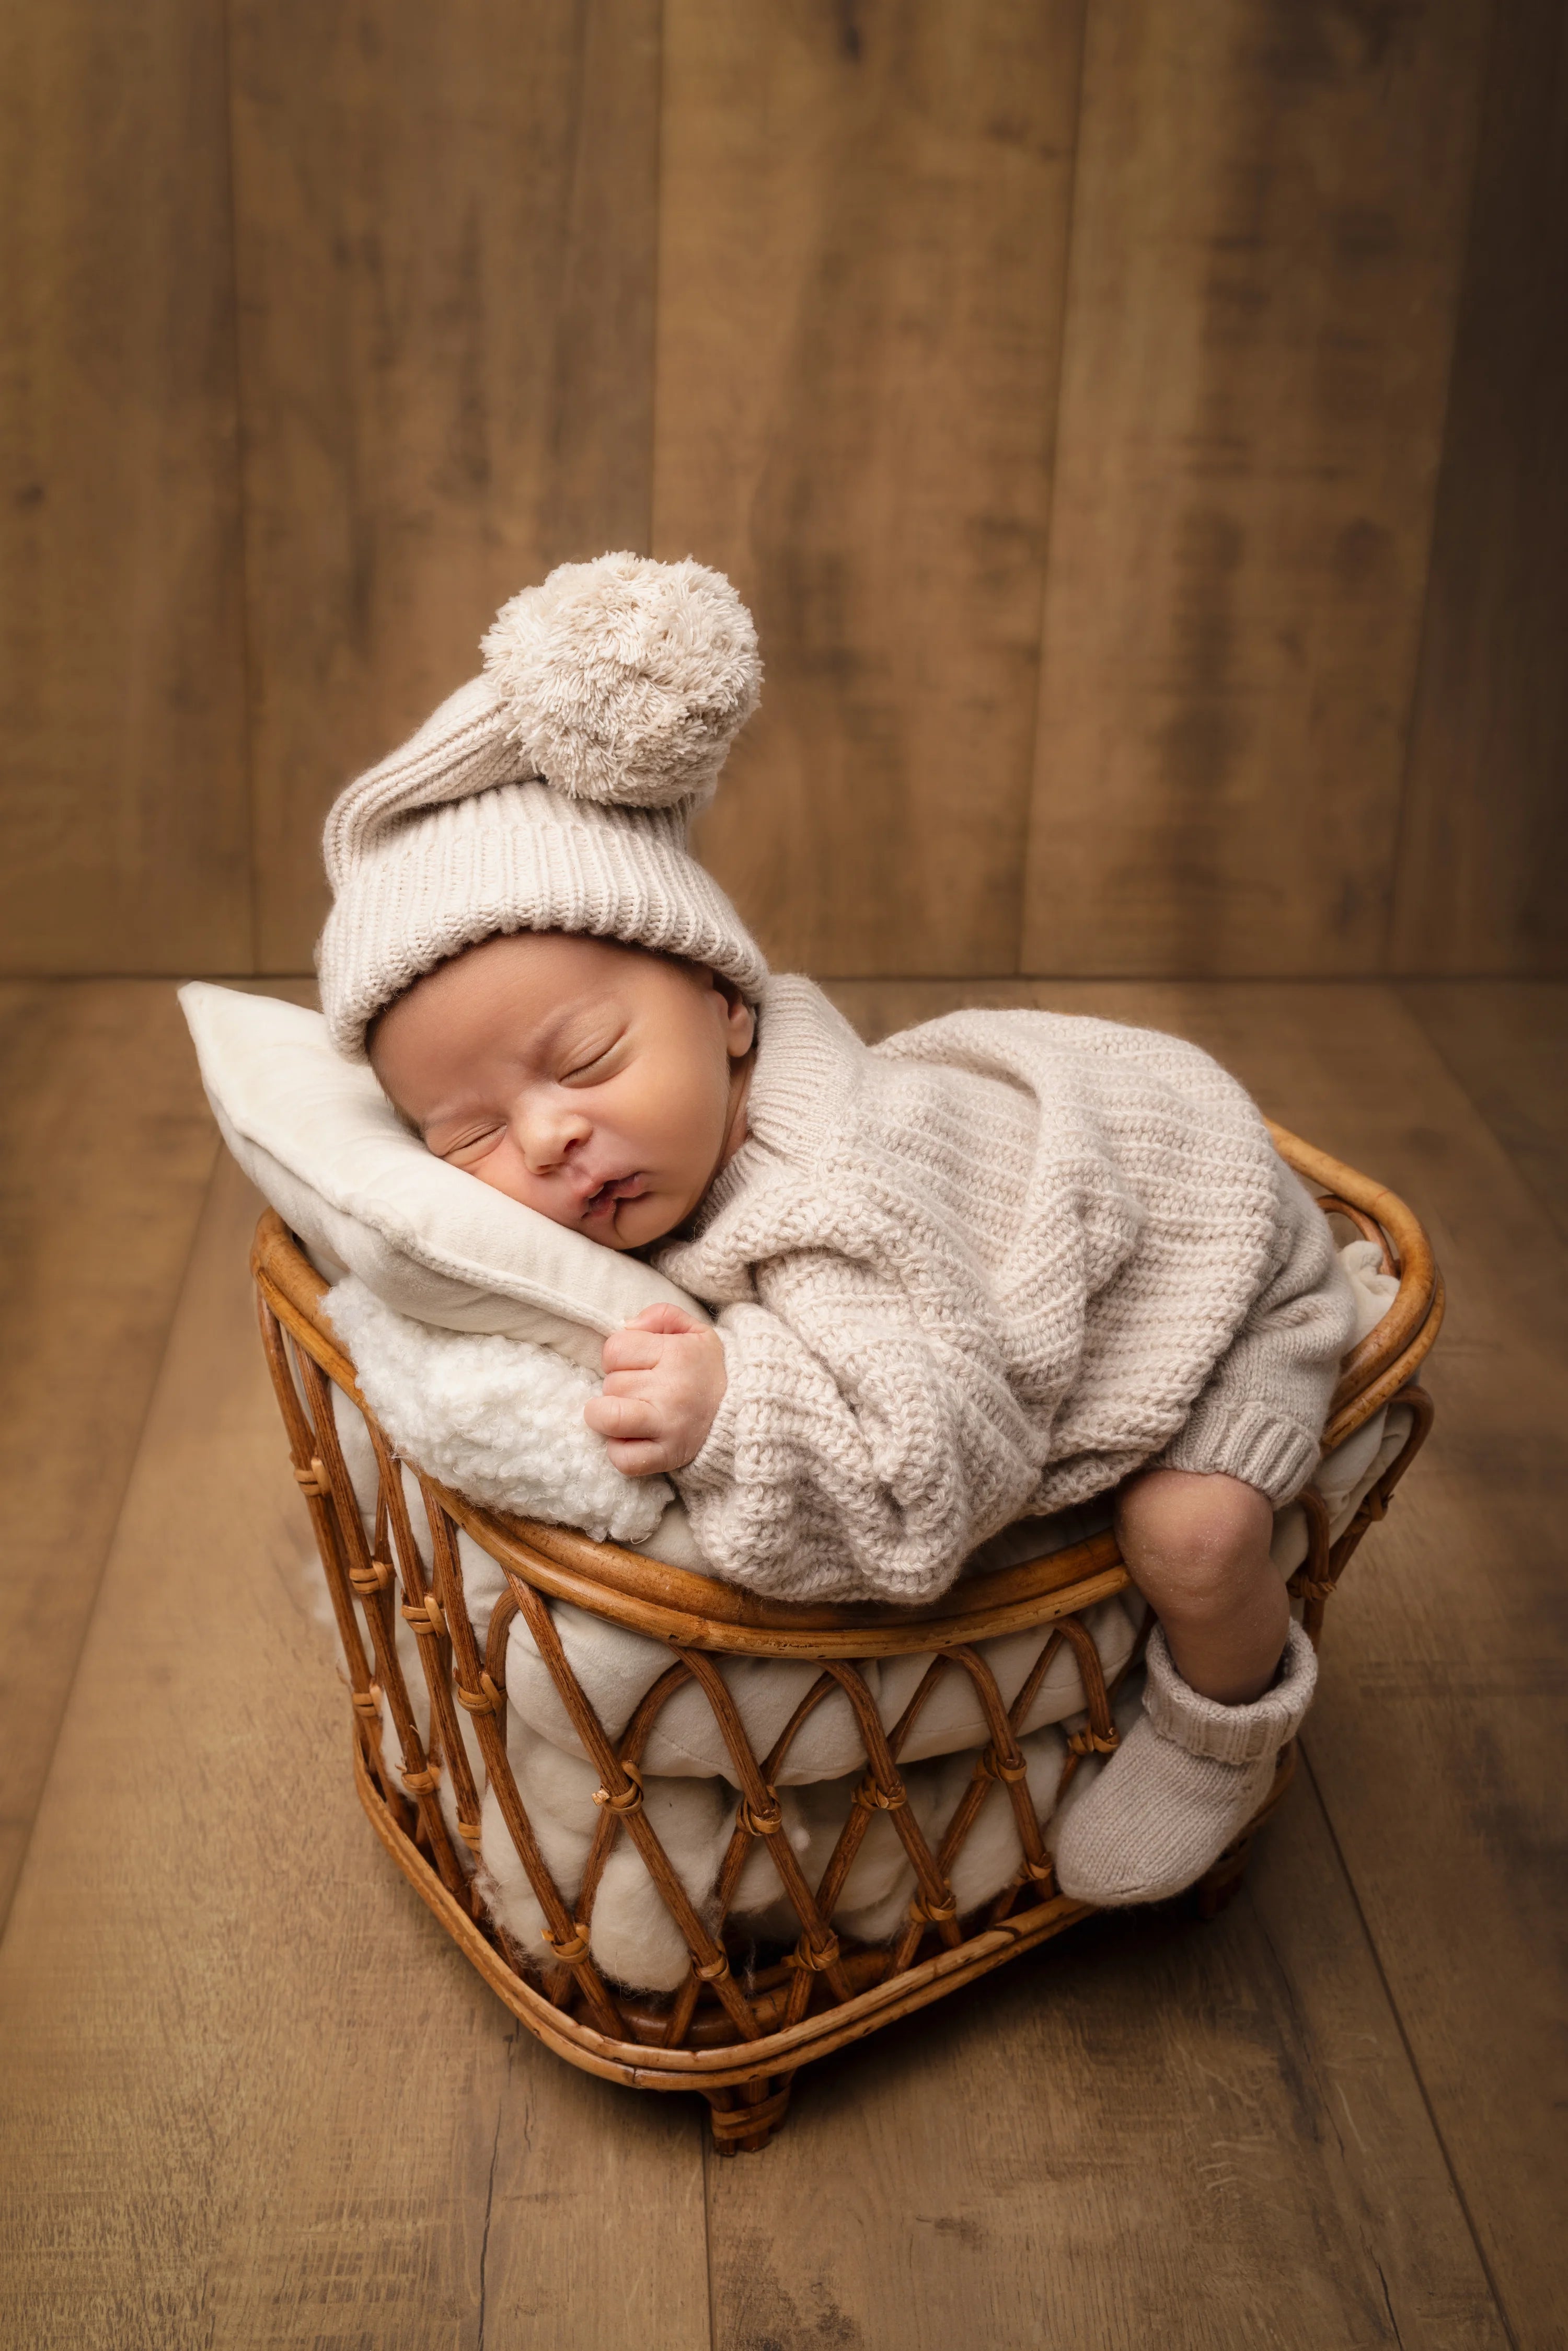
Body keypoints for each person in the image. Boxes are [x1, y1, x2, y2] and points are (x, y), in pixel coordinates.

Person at [316, 554, 1356, 1906]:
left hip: (1216, 1262)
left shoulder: (835, 1195)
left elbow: (938, 1482)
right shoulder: (689, 1138)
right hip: (1086, 1160)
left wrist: (738, 1409)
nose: (549, 1138)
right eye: (470, 1136)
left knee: (1192, 1539)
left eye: (584, 1059)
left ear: (727, 1004)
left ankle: (1229, 1732)